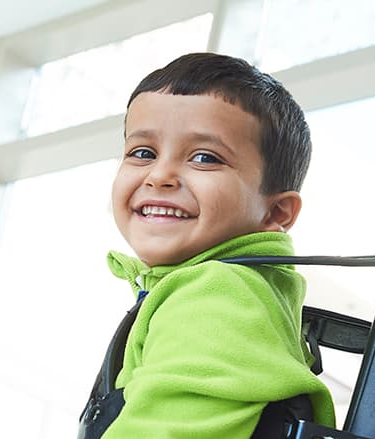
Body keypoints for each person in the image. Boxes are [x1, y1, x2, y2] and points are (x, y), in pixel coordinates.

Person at [100, 52, 335, 438]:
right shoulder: (238, 293)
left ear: (276, 212)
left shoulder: (217, 298)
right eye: (143, 153)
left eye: (205, 158)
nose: (160, 176)